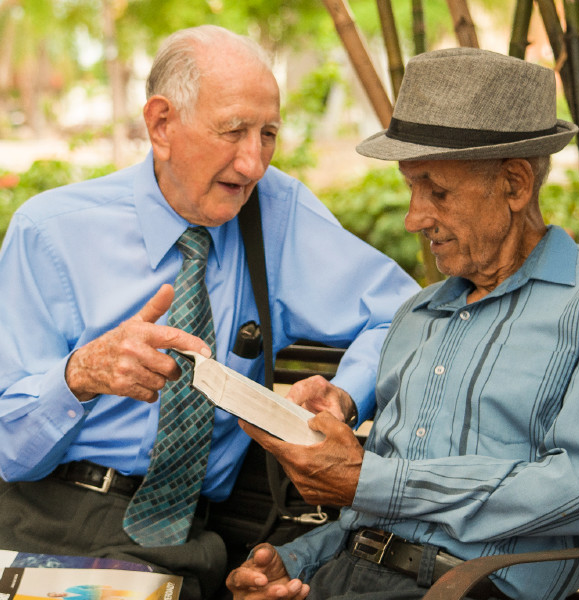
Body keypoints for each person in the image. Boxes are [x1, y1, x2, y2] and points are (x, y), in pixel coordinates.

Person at [0, 25, 419, 600]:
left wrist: (344, 395)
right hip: (42, 512)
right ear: (161, 124)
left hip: (184, 538)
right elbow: (8, 451)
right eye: (233, 132)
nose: (252, 164)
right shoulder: (50, 233)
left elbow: (403, 314)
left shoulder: (278, 213)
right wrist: (80, 375)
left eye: (268, 134)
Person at [226, 47, 579, 600]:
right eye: (410, 188)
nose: (414, 217)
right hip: (346, 574)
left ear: (516, 185)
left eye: (438, 192)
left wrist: (370, 482)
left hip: (468, 587)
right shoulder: (416, 315)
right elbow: (372, 522)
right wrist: (292, 561)